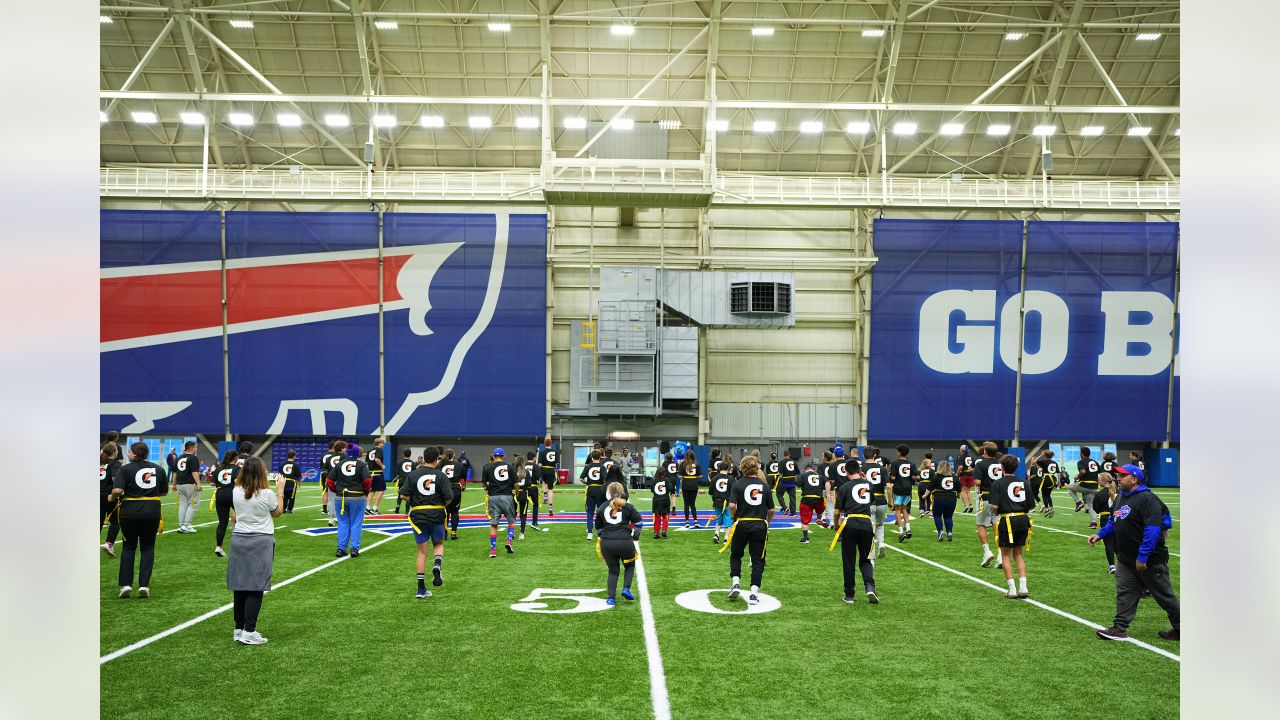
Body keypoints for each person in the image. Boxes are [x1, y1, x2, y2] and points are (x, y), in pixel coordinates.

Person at [1091, 464, 1180, 642]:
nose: (1118, 478)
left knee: (1164, 596)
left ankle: (1182, 628)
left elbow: (1153, 529)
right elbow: (1113, 522)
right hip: (1126, 558)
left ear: (1134, 479)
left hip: (1149, 560)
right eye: (1118, 475)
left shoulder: (1147, 499)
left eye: (1123, 476)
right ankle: (1119, 628)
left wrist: (1143, 555)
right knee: (1125, 592)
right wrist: (1100, 534)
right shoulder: (1120, 497)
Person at [227, 456, 284, 644]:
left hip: (239, 539)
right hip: (261, 540)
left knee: (240, 585)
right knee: (256, 586)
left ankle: (239, 628)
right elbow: (277, 512)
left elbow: (236, 515)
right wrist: (281, 491)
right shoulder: (267, 493)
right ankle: (249, 631)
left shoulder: (235, 491)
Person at [111, 441, 169, 598]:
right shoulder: (158, 468)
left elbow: (117, 490)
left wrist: (112, 497)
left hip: (129, 511)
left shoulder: (124, 469)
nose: (128, 454)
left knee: (129, 547)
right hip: (152, 510)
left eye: (129, 451)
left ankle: (125, 585)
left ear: (134, 454)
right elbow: (164, 492)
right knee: (148, 548)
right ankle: (144, 585)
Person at [400, 445, 453, 599]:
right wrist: (439, 505)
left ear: (423, 457)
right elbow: (449, 497)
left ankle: (421, 589)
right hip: (436, 513)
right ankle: (437, 564)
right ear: (437, 459)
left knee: (422, 552)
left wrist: (416, 501)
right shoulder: (441, 475)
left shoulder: (414, 474)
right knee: (439, 544)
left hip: (418, 515)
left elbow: (403, 495)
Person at [723, 456, 773, 606]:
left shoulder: (738, 484)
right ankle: (754, 592)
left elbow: (732, 506)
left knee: (736, 554)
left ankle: (736, 582)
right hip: (759, 525)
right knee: (758, 560)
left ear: (742, 468)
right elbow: (771, 509)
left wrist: (735, 517)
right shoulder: (764, 486)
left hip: (742, 524)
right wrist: (767, 523)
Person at [831, 460, 878, 604]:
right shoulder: (869, 485)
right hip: (866, 524)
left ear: (845, 471)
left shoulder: (844, 487)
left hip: (850, 524)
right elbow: (870, 501)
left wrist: (836, 526)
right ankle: (870, 586)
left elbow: (837, 511)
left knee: (849, 560)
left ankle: (849, 594)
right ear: (860, 470)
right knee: (865, 559)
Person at [989, 453, 1034, 598]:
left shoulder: (997, 483)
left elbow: (995, 505)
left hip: (1007, 519)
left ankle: (1012, 589)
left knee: (1006, 555)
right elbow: (1030, 505)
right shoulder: (1024, 482)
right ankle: (1023, 587)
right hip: (1022, 519)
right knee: (1019, 555)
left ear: (1001, 467)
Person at [596, 481, 643, 606]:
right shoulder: (628, 506)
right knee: (630, 565)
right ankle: (626, 588)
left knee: (613, 571)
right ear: (622, 492)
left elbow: (598, 529)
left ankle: (611, 598)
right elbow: (638, 522)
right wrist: (636, 534)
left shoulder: (601, 507)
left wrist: (605, 537)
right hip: (624, 542)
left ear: (608, 492)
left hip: (607, 543)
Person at [326, 440, 371, 558]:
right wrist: (365, 492)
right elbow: (367, 481)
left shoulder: (339, 464)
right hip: (357, 497)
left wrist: (336, 490)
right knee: (356, 523)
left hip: (341, 498)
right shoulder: (361, 465)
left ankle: (341, 549)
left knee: (343, 523)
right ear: (358, 454)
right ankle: (354, 549)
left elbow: (329, 480)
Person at [482, 448, 518, 557]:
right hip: (507, 496)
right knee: (511, 521)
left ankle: (493, 551)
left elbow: (484, 484)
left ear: (493, 456)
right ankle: (509, 542)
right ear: (504, 456)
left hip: (493, 497)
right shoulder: (509, 467)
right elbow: (516, 484)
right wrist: (516, 493)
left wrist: (489, 488)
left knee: (493, 524)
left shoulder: (487, 467)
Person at [974, 441, 1003, 569]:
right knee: (997, 525)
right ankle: (1001, 555)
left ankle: (987, 552)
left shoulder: (980, 464)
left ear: (984, 451)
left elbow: (978, 482)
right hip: (999, 497)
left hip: (985, 497)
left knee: (980, 524)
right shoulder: (1000, 463)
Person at [210, 450, 239, 558]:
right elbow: (237, 481)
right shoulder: (236, 468)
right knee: (240, 517)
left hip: (220, 494)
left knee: (222, 522)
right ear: (235, 458)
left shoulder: (219, 468)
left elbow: (212, 482)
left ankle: (219, 546)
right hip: (232, 493)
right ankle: (238, 543)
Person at [170, 440, 202, 532]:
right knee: (194, 504)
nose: (196, 449)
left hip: (180, 484)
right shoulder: (193, 458)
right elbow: (194, 472)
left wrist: (174, 484)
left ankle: (181, 525)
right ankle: (187, 524)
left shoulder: (179, 458)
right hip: (189, 484)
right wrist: (198, 484)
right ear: (191, 448)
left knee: (183, 504)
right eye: (195, 447)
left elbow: (175, 472)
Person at [864, 447, 890, 558]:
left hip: (868, 501)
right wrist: (891, 502)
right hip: (881, 499)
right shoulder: (882, 469)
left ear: (864, 455)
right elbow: (888, 486)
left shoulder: (861, 469)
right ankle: (881, 544)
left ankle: (872, 550)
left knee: (870, 526)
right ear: (875, 455)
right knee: (880, 525)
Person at [1067, 446, 1102, 528]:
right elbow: (1102, 473)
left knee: (1069, 487)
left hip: (1085, 485)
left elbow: (1083, 471)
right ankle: (1093, 523)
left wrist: (1078, 477)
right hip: (1094, 487)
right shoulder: (1095, 462)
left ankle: (1078, 502)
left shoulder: (1081, 461)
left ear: (1082, 454)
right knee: (1090, 505)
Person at [99, 444, 124, 557]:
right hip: (108, 496)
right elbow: (115, 479)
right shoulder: (115, 463)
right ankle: (109, 543)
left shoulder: (100, 462)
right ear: (114, 452)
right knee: (116, 521)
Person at [889, 444, 917, 542]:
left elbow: (892, 477)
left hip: (898, 488)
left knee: (897, 510)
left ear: (899, 452)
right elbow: (917, 477)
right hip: (908, 488)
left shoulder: (895, 463)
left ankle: (901, 531)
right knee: (904, 508)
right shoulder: (911, 464)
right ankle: (908, 528)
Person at [797, 461, 828, 544]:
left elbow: (798, 484)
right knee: (820, 509)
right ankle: (819, 517)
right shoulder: (820, 476)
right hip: (819, 499)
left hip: (806, 500)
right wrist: (828, 493)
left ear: (805, 470)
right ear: (813, 470)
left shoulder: (803, 475)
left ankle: (805, 538)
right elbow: (827, 482)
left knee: (804, 521)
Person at [516, 452, 545, 538]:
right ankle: (534, 522)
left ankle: (519, 526)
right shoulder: (535, 466)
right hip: (532, 487)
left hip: (522, 489)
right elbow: (538, 477)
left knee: (524, 506)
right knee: (535, 505)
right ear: (533, 457)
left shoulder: (523, 466)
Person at [580, 448, 606, 541]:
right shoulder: (602, 467)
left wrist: (588, 483)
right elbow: (605, 481)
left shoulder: (588, 466)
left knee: (590, 513)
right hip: (600, 491)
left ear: (591, 457)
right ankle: (601, 532)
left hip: (590, 490)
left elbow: (581, 478)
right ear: (600, 456)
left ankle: (590, 533)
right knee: (601, 512)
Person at [1094, 472, 1118, 574]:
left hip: (1105, 518)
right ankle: (1124, 563)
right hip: (1119, 517)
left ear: (1104, 481)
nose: (1098, 481)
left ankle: (1112, 565)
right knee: (1119, 542)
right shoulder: (1119, 491)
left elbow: (1095, 509)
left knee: (1108, 542)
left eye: (1099, 479)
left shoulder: (1099, 493)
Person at [931, 461, 958, 541]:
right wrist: (958, 496)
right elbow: (959, 488)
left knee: (937, 515)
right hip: (952, 498)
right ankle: (949, 532)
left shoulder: (936, 476)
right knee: (948, 516)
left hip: (939, 498)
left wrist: (924, 495)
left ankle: (940, 531)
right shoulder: (954, 476)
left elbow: (930, 487)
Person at [708, 460, 734, 544]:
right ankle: (726, 538)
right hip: (727, 502)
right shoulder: (731, 479)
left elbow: (711, 492)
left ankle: (716, 534)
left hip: (717, 501)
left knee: (718, 519)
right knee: (728, 521)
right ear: (728, 469)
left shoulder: (714, 479)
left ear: (719, 468)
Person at [441, 449, 465, 540]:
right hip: (455, 489)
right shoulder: (459, 465)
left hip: (444, 490)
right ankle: (454, 533)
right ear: (453, 455)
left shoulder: (440, 464)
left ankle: (444, 534)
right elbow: (463, 478)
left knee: (445, 512)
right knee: (455, 512)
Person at [651, 453, 673, 539]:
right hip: (665, 500)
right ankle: (664, 530)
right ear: (664, 473)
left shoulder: (654, 480)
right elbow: (671, 488)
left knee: (657, 516)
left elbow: (652, 490)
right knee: (665, 516)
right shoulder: (667, 479)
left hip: (656, 500)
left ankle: (656, 532)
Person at [537, 437, 558, 517]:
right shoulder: (555, 452)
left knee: (543, 482)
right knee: (551, 489)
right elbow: (556, 463)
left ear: (544, 444)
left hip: (544, 469)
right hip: (551, 470)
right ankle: (550, 506)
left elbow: (540, 464)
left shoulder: (542, 452)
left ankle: (545, 494)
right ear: (551, 443)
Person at [679, 454, 701, 529]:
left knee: (686, 504)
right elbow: (700, 475)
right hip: (694, 485)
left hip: (685, 485)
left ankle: (687, 521)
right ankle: (695, 520)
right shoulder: (696, 464)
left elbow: (679, 475)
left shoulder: (682, 464)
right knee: (692, 504)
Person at [366, 438, 386, 515]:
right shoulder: (379, 450)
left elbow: (366, 463)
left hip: (370, 473)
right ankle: (375, 508)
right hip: (377, 473)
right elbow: (377, 459)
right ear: (379, 443)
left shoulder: (369, 451)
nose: (383, 445)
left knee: (372, 491)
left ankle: (367, 508)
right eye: (382, 443)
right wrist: (382, 466)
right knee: (381, 490)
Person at [1036, 450, 1059, 516]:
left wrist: (1040, 455)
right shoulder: (1054, 462)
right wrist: (1058, 481)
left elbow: (1034, 461)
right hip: (1053, 479)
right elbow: (1058, 473)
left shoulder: (1044, 462)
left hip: (1046, 479)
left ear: (1045, 455)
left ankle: (1047, 509)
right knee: (1048, 494)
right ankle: (1051, 507)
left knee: (1044, 494)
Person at [393, 449, 415, 515]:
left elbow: (397, 474)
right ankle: (407, 511)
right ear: (410, 454)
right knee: (408, 495)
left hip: (401, 480)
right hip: (409, 481)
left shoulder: (399, 463)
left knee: (400, 493)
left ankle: (398, 506)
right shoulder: (413, 463)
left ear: (403, 454)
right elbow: (414, 473)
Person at [279, 449, 301, 514]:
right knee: (291, 496)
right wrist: (299, 482)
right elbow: (298, 475)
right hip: (292, 483)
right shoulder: (295, 465)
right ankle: (289, 509)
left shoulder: (282, 464)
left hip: (283, 482)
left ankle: (283, 509)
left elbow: (279, 474)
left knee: (284, 496)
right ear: (294, 456)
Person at [778, 450, 799, 516]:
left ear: (784, 455)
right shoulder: (794, 462)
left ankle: (784, 507)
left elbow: (780, 473)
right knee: (792, 497)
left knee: (779, 494)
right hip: (792, 481)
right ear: (789, 454)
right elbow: (798, 473)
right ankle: (793, 513)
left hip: (784, 481)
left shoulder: (781, 462)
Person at [957, 445, 976, 512]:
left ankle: (966, 506)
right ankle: (971, 505)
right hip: (971, 475)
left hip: (964, 475)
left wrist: (957, 473)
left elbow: (960, 467)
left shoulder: (961, 457)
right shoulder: (971, 457)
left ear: (962, 450)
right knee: (968, 491)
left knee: (963, 491)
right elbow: (973, 467)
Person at [916, 452, 934, 518]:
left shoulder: (920, 470)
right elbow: (934, 479)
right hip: (928, 485)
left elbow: (917, 478)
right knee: (929, 498)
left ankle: (921, 511)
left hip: (921, 484)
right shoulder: (931, 471)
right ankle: (930, 512)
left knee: (921, 499)